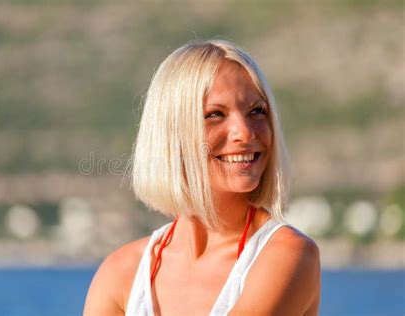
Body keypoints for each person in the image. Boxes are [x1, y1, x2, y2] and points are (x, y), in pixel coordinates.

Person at [83, 39, 321, 315]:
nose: (244, 133)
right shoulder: (121, 272)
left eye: (257, 111)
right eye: (215, 115)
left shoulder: (287, 255)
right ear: (173, 134)